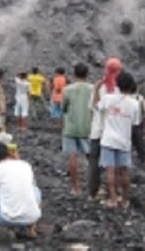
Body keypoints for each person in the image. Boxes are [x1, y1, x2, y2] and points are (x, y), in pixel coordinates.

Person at [0, 143, 41, 238]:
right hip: (33, 217)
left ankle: (6, 227)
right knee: (35, 190)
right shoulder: (25, 165)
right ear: (9, 152)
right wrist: (16, 157)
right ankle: (31, 228)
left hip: (7, 219)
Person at [98, 71, 141, 208]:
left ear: (117, 84)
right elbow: (135, 123)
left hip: (108, 139)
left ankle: (113, 199)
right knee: (124, 171)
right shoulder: (135, 104)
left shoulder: (107, 98)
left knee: (110, 171)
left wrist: (95, 89)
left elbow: (96, 107)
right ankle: (125, 200)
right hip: (124, 141)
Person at [88, 58, 122, 199]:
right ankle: (112, 193)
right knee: (113, 164)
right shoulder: (120, 89)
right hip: (114, 132)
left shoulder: (99, 86)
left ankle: (93, 193)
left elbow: (92, 108)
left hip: (97, 131)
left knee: (94, 163)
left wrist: (96, 89)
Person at [62, 63, 93, 195]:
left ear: (74, 74)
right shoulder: (93, 89)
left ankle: (76, 188)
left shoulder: (67, 89)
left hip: (71, 126)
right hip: (88, 126)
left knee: (72, 156)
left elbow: (64, 108)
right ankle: (93, 186)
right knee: (91, 156)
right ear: (87, 74)